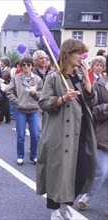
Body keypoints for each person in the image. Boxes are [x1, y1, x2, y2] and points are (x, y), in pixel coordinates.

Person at [36, 39, 98, 220]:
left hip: (81, 133)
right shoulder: (54, 77)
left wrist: (87, 80)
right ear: (67, 54)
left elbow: (91, 102)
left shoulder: (78, 77)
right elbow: (43, 103)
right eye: (78, 53)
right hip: (60, 133)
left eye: (82, 53)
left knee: (81, 171)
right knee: (58, 173)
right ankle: (55, 211)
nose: (82, 57)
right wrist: (62, 99)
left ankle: (66, 205)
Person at [77, 61, 107, 215]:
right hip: (104, 135)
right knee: (101, 171)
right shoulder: (99, 84)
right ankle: (87, 196)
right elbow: (91, 109)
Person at [6, 56, 42, 166]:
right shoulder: (16, 78)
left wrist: (36, 94)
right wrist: (17, 102)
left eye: (28, 64)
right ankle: (20, 156)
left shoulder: (37, 79)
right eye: (24, 65)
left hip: (34, 109)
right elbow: (9, 92)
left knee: (35, 134)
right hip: (21, 109)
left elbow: (43, 94)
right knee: (20, 135)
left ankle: (34, 155)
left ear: (32, 66)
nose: (26, 66)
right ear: (21, 66)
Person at [0, 56, 11, 124]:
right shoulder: (4, 69)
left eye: (1, 61)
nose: (0, 62)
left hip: (5, 88)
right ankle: (8, 119)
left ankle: (0, 119)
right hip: (4, 88)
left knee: (2, 103)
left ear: (5, 63)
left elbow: (2, 78)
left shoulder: (7, 70)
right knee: (5, 104)